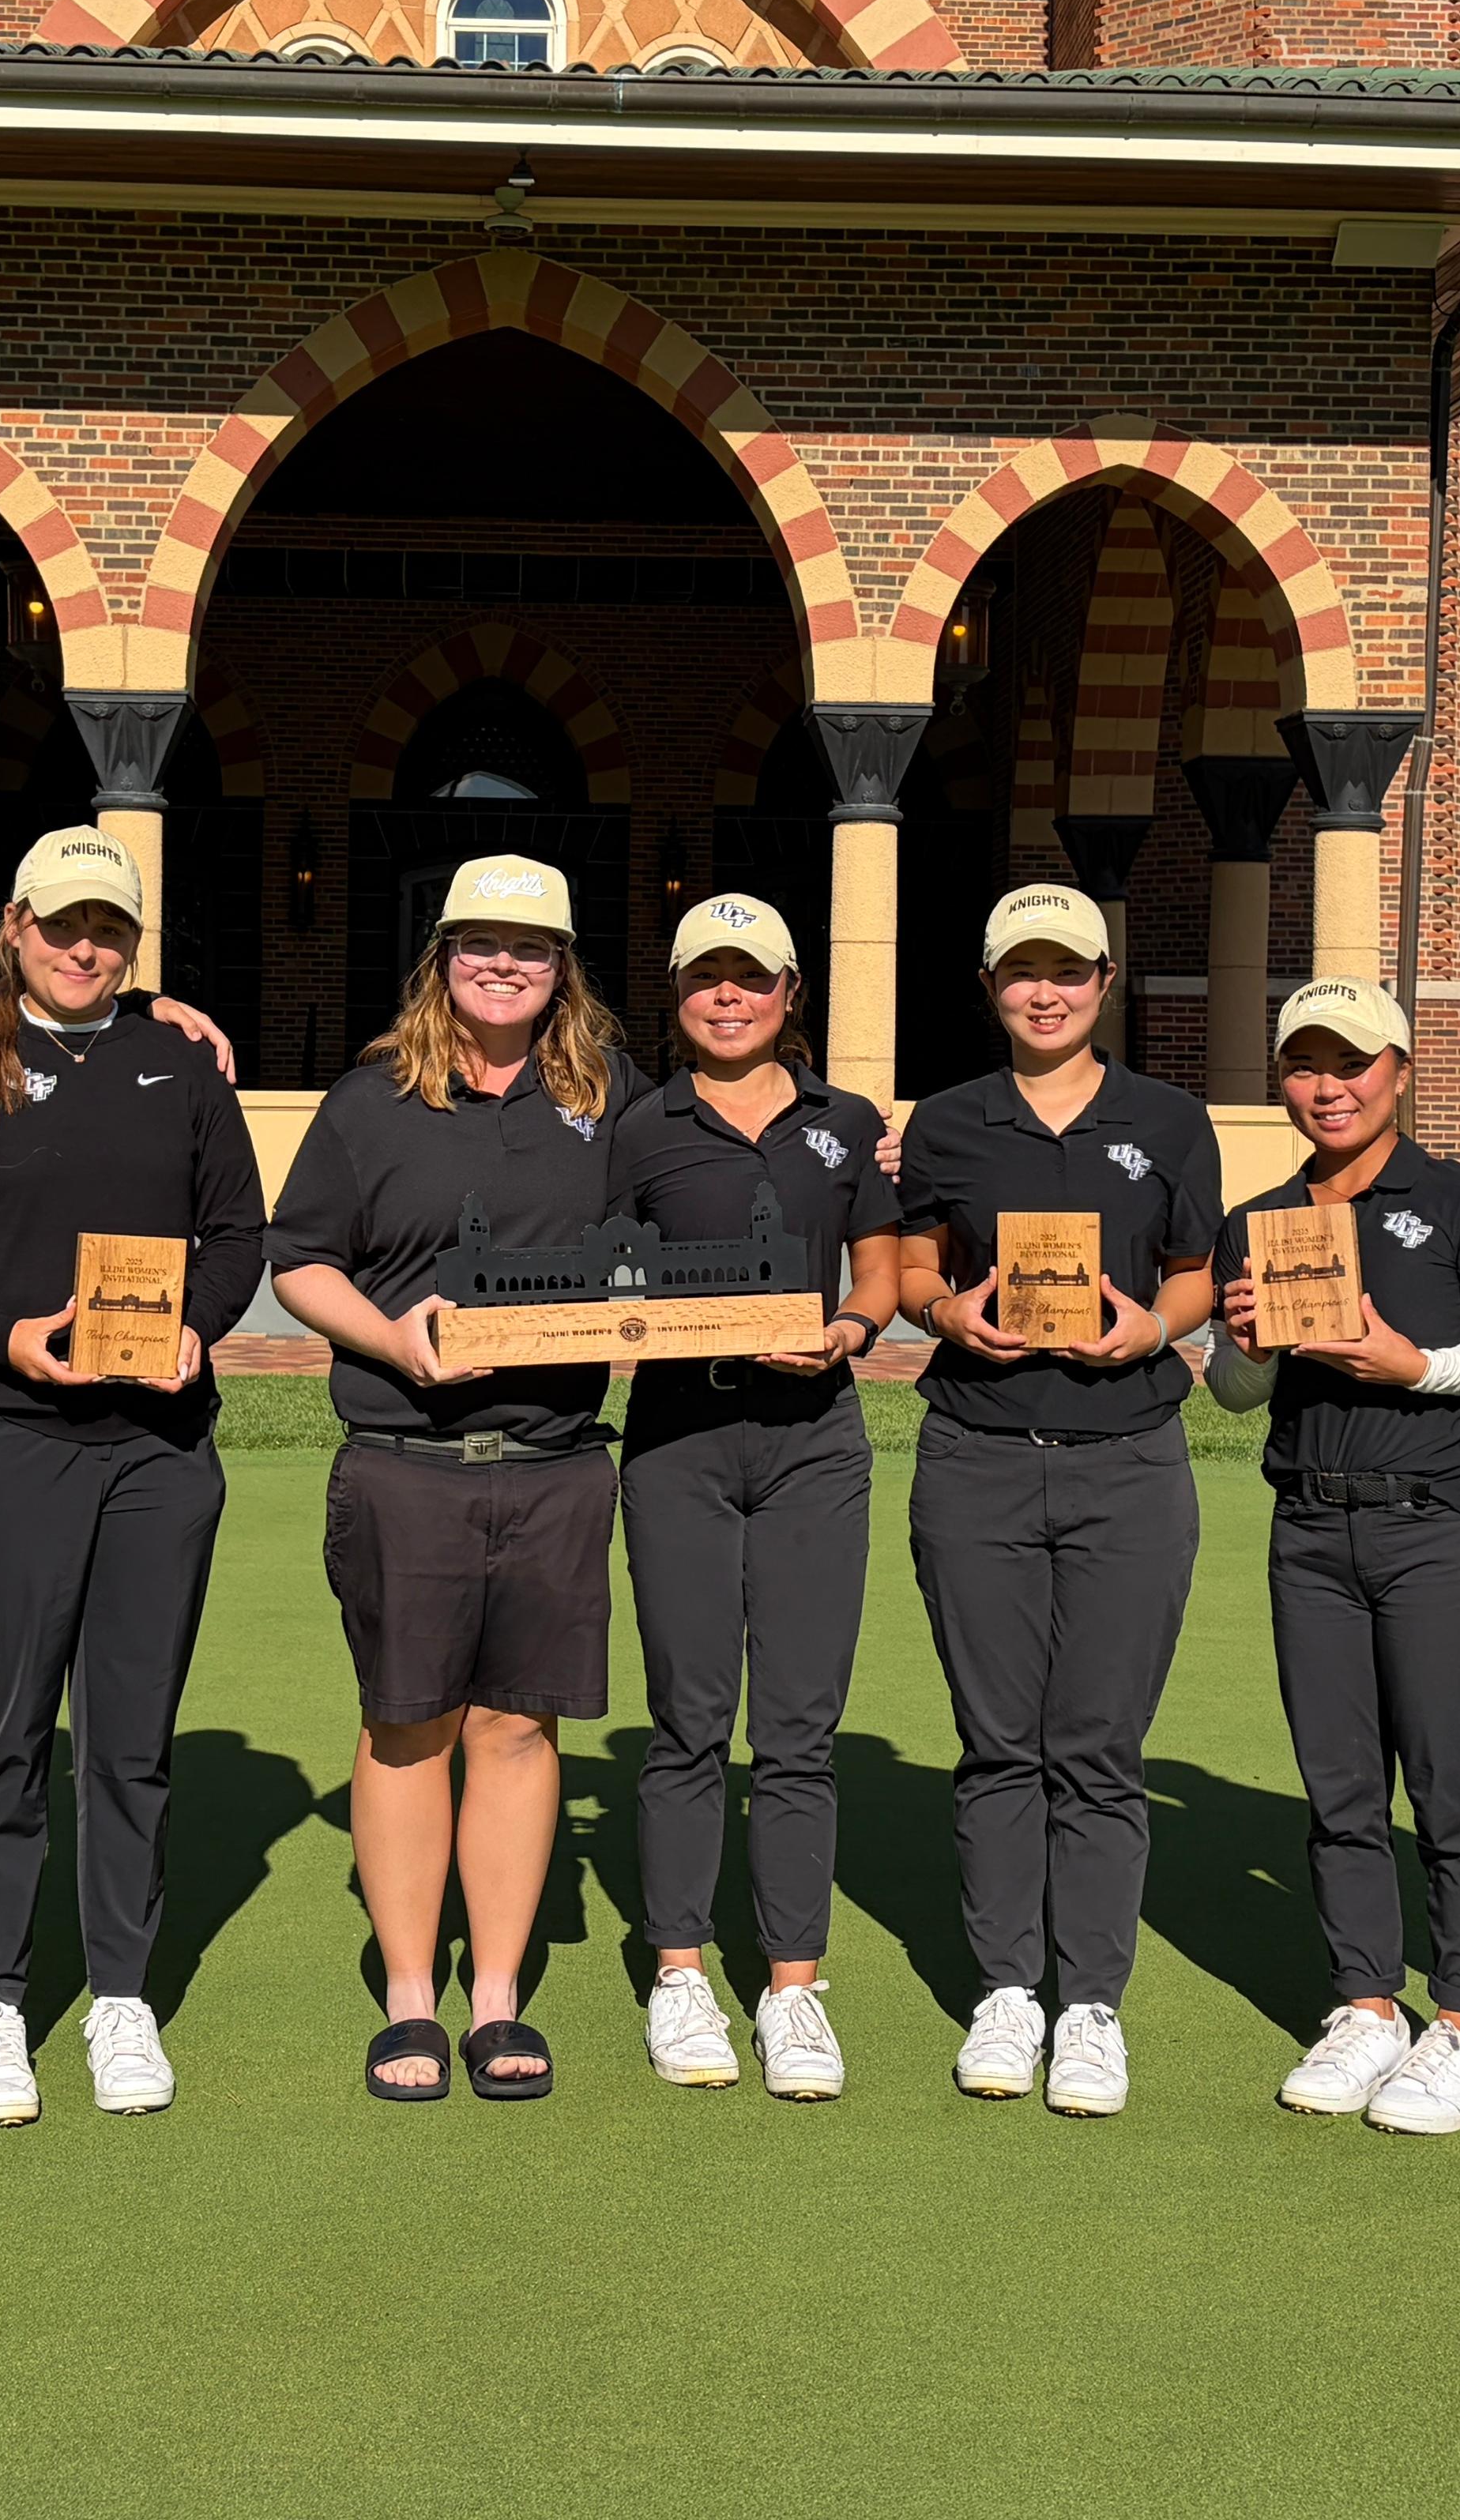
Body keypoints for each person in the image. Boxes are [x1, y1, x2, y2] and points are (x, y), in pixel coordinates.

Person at [0, 827, 266, 2127]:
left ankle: (118, 1995)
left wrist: (203, 1323)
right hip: (6, 1432)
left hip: (158, 1445)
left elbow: (236, 1231)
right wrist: (6, 1342)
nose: (86, 948)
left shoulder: (182, 1063)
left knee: (130, 1739)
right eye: (64, 926)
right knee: (0, 1731)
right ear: (15, 926)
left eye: (110, 930)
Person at [267, 855, 642, 2101]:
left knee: (519, 1728)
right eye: (480, 943)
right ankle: (411, 1997)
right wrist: (389, 1338)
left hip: (555, 1461)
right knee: (407, 1723)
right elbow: (302, 1262)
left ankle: (497, 1999)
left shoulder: (608, 1098)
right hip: (405, 1459)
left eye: (529, 949)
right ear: (441, 954)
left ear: (562, 969)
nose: (503, 964)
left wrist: (859, 1154)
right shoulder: (373, 1098)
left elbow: (712, 1184)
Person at [892, 882, 1221, 2118]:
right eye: (1022, 971)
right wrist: (942, 1309)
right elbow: (918, 1253)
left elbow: (1195, 1270)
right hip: (975, 1454)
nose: (1046, 991)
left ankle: (1088, 2006)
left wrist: (1153, 1327)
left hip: (1129, 1458)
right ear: (990, 986)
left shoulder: (1170, 1119)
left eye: (1069, 971)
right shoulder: (950, 1122)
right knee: (997, 1742)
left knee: (1096, 1744)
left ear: (1103, 982)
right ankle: (1007, 1991)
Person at [1206, 977, 1460, 2137]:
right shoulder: (1263, 1216)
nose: (1328, 1087)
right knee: (1340, 1791)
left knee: (1449, 1785)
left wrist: (1413, 1365)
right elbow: (1235, 1393)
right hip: (1310, 1527)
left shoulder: (1456, 1202)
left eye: (1352, 1064)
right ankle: (1365, 2006)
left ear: (1398, 1071)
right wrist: (1242, 1345)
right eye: (1304, 1065)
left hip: (1433, 1520)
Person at [602, 892, 901, 2101]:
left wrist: (851, 1326)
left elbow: (878, 1259)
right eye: (704, 980)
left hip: (812, 1439)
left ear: (791, 995)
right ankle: (680, 1971)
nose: (728, 997)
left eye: (752, 978)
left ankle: (792, 1985)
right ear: (676, 1000)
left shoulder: (850, 1123)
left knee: (798, 1723)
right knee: (686, 1713)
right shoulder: (639, 1126)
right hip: (678, 1434)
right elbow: (608, 1272)